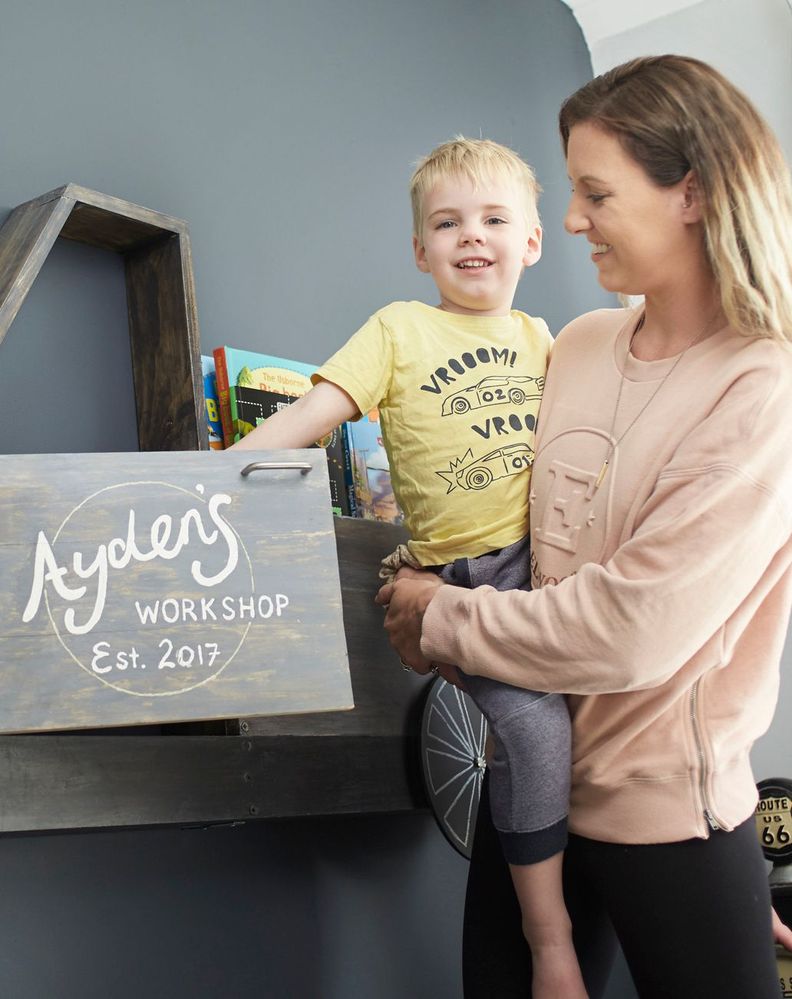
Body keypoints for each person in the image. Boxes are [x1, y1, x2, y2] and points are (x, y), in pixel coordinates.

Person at [377, 56, 792, 998]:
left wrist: (435, 617)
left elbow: (632, 629)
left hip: (673, 825)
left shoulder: (764, 385)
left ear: (690, 193)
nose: (568, 221)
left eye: (594, 193)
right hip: (532, 796)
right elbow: (510, 544)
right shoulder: (578, 346)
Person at [233, 137, 588, 998]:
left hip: (548, 575)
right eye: (448, 221)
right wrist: (205, 476)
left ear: (533, 242)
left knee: (578, 740)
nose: (473, 235)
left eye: (495, 218)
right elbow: (314, 414)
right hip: (460, 584)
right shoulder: (399, 328)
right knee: (534, 729)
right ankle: (552, 943)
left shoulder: (547, 339)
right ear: (420, 249)